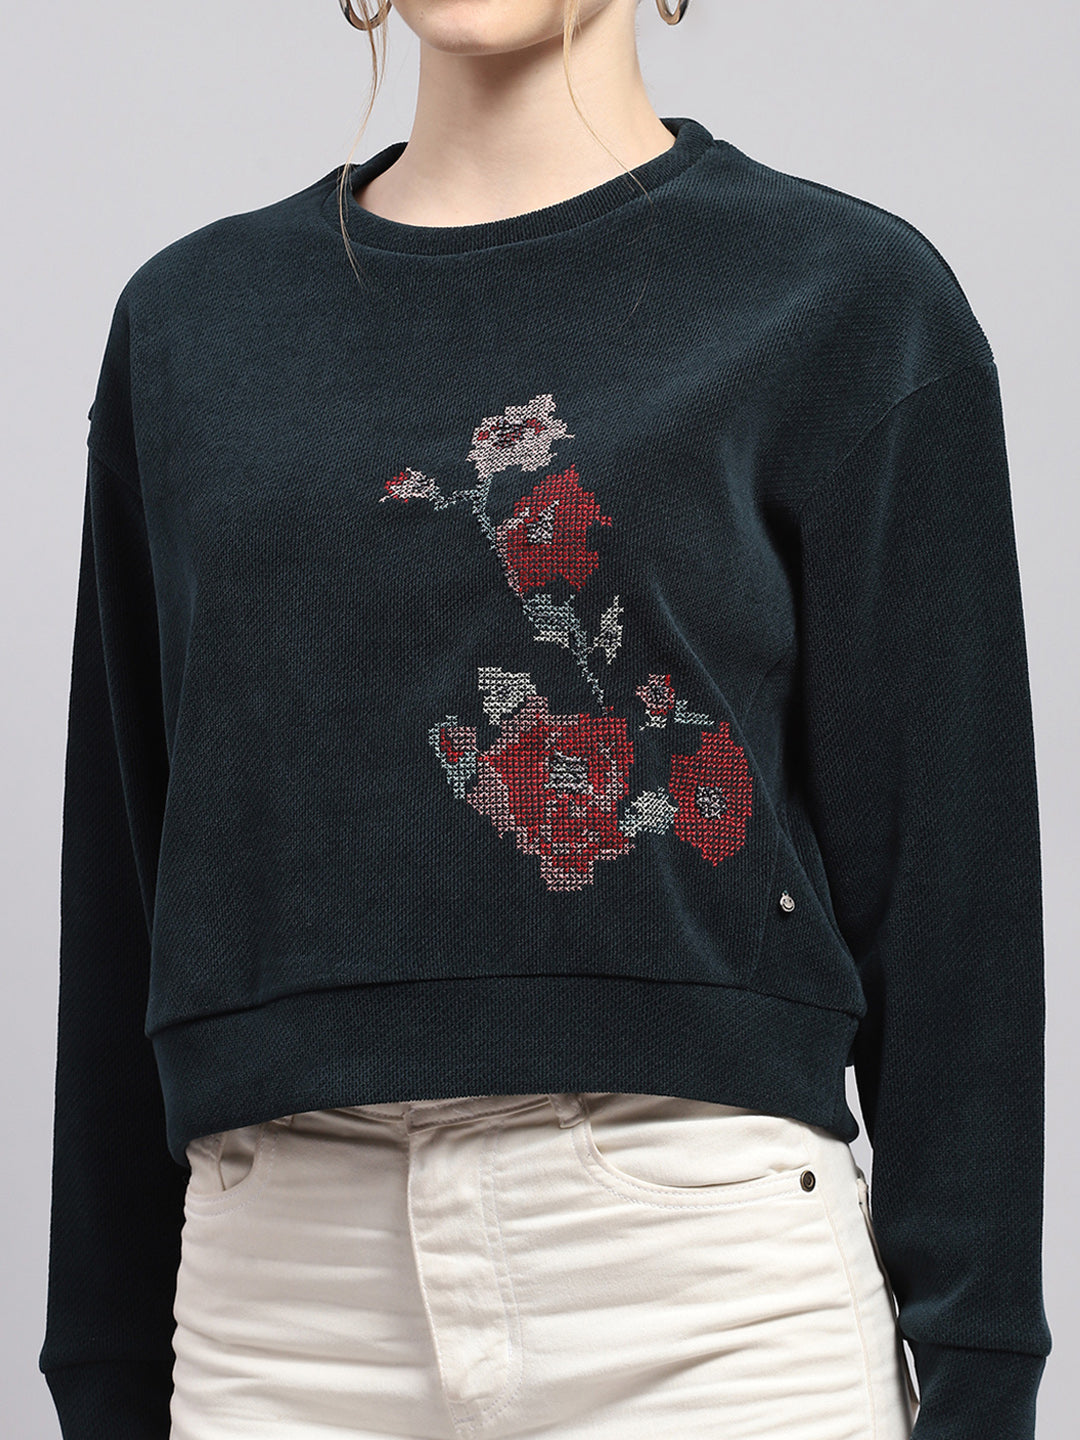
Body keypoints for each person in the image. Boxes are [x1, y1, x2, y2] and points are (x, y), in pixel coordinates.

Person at [39, 1, 1052, 1436]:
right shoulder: (191, 327)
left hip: (705, 1298)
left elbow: (952, 903)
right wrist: (100, 1361)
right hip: (283, 1308)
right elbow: (127, 874)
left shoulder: (844, 299)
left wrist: (980, 1374)